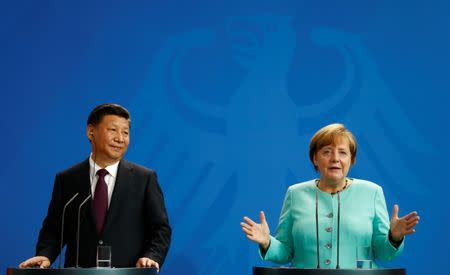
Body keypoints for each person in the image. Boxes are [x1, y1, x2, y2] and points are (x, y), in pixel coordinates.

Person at [240, 123, 419, 268]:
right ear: (315, 159)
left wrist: (394, 237)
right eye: (327, 151)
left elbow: (383, 254)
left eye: (342, 152)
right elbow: (285, 251)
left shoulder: (372, 192)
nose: (335, 158)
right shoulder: (295, 194)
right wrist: (267, 242)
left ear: (352, 159)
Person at [19, 104, 171, 271]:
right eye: (113, 130)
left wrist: (151, 256)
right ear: (91, 132)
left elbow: (160, 229)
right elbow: (54, 229)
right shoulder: (67, 179)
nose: (120, 138)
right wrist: (45, 254)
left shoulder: (144, 179)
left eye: (125, 132)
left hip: (126, 273)